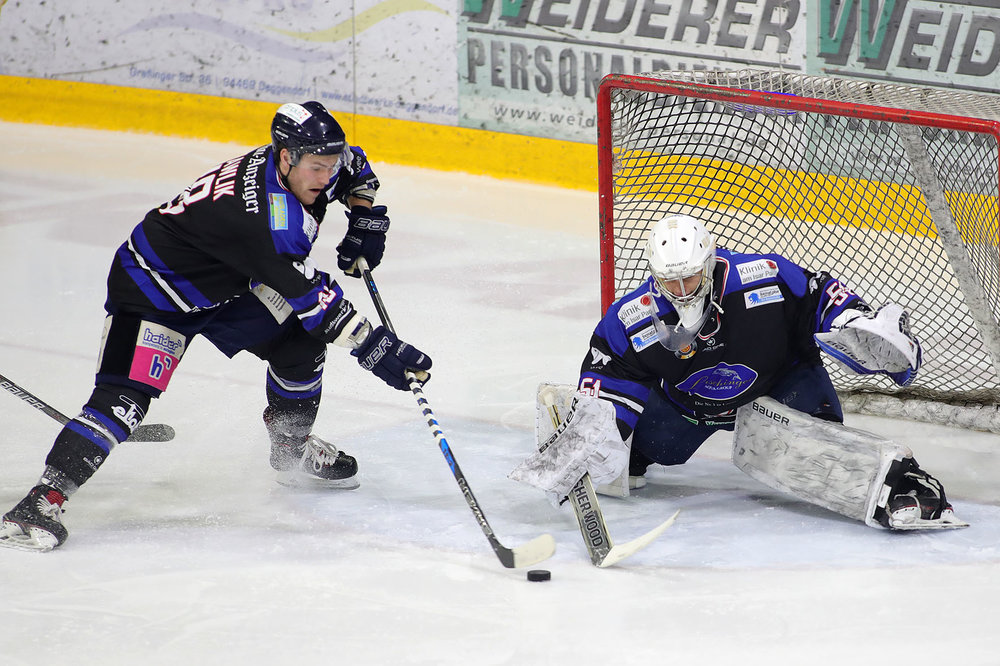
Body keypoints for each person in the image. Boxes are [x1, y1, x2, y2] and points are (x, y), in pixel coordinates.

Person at [0, 101, 432, 552]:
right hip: (156, 291)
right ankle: (40, 502)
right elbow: (316, 305)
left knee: (298, 344)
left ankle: (291, 449)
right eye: (318, 168)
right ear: (286, 157)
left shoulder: (307, 162)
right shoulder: (266, 220)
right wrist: (378, 348)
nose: (326, 177)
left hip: (230, 282)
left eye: (329, 166)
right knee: (125, 401)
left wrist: (362, 214)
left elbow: (356, 166)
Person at [511, 213, 965, 530]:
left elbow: (816, 295)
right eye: (671, 281)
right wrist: (589, 434)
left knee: (818, 456)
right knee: (631, 455)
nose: (682, 290)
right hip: (688, 406)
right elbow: (609, 379)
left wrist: (851, 320)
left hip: (780, 386)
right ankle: (631, 454)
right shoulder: (631, 319)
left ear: (709, 263)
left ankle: (903, 485)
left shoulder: (761, 277)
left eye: (690, 278)